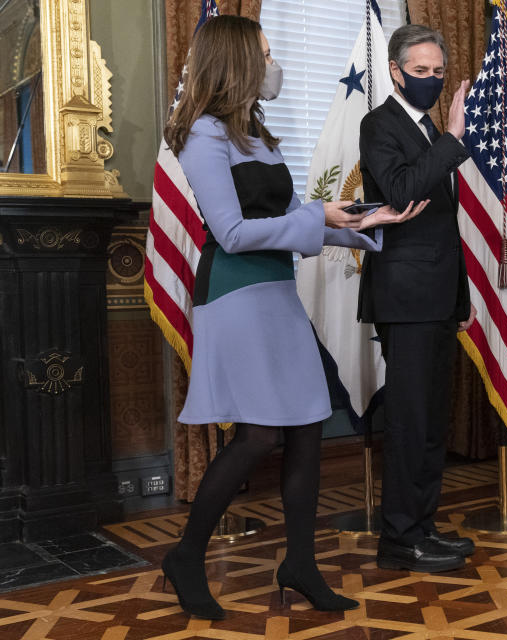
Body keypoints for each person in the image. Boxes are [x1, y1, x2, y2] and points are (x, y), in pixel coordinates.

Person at [159, 15, 426, 620]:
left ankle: (299, 563)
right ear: (236, 61)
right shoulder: (204, 135)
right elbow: (230, 231)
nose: (273, 64)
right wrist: (321, 220)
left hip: (276, 289)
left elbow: (297, 219)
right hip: (235, 293)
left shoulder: (255, 132)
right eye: (266, 53)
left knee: (307, 425)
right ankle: (186, 555)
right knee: (258, 435)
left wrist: (364, 223)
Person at [357, 24, 477, 573]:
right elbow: (402, 191)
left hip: (437, 299)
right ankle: (399, 538)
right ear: (396, 71)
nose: (430, 80)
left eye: (438, 73)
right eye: (420, 72)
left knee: (431, 423)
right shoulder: (378, 124)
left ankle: (422, 527)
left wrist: (459, 296)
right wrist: (453, 137)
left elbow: (442, 224)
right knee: (409, 423)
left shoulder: (428, 130)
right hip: (404, 300)